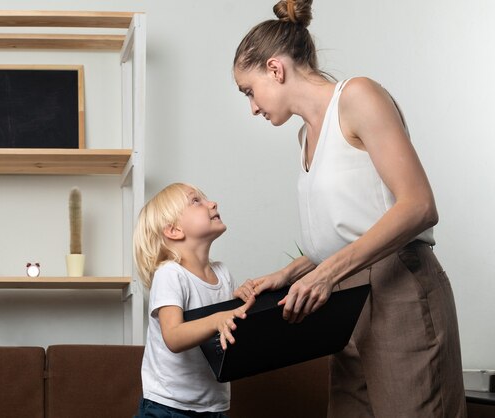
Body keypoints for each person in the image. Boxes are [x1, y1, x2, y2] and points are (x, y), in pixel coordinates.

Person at [232, 0, 467, 416]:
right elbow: (350, 228)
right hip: (343, 304)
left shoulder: (357, 96)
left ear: (275, 69)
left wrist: (327, 274)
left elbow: (419, 205)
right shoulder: (303, 136)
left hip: (398, 291)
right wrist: (288, 274)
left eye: (249, 91)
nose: (251, 107)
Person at [133, 183, 254, 418]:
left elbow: (228, 330)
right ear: (174, 230)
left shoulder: (222, 274)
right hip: (167, 407)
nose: (212, 203)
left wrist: (244, 302)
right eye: (196, 201)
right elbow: (174, 336)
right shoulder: (170, 274)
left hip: (213, 407)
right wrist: (218, 319)